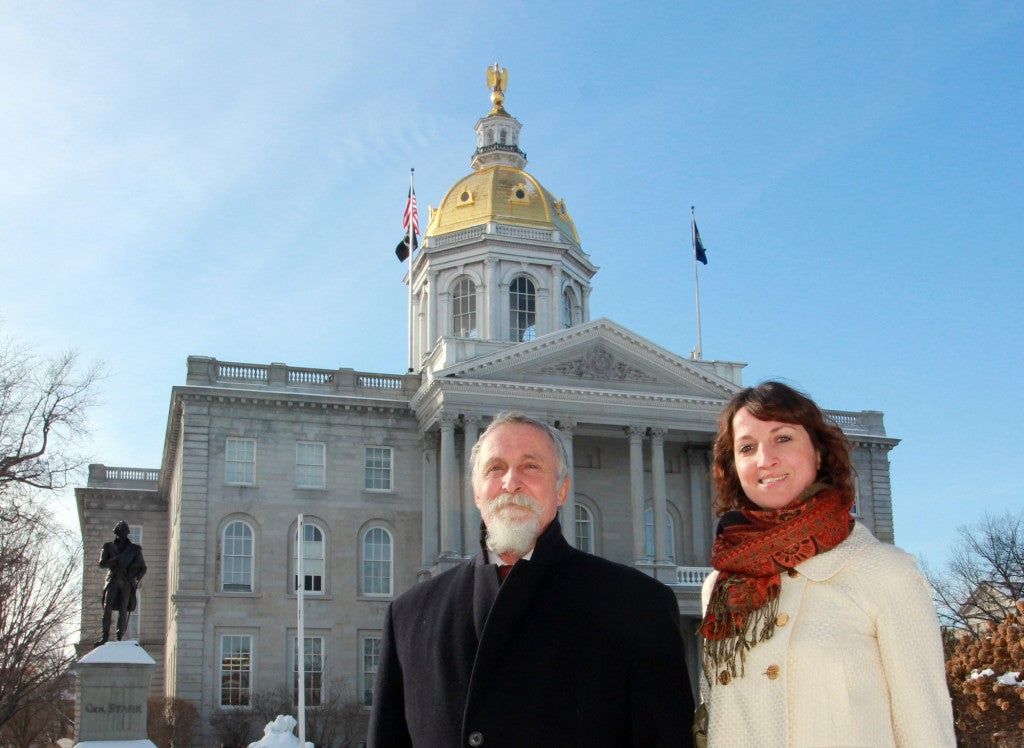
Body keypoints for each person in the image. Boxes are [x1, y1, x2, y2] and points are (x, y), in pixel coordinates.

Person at [369, 412, 694, 747]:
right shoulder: (409, 617)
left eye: (531, 466)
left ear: (562, 490)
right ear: (476, 493)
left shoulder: (638, 607)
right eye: (495, 468)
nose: (511, 483)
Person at [698, 382, 954, 746]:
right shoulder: (721, 587)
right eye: (747, 447)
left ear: (818, 452)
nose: (765, 459)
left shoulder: (884, 572)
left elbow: (925, 727)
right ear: (734, 467)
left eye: (782, 438)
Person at [95, 520, 147, 645]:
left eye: (124, 531)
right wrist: (116, 560)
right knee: (107, 607)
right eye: (120, 531)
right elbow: (102, 563)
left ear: (127, 533)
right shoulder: (108, 546)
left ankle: (119, 637)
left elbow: (143, 568)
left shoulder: (134, 549)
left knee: (123, 609)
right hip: (112, 579)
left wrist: (136, 577)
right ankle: (104, 636)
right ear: (116, 532)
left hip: (127, 581)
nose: (122, 534)